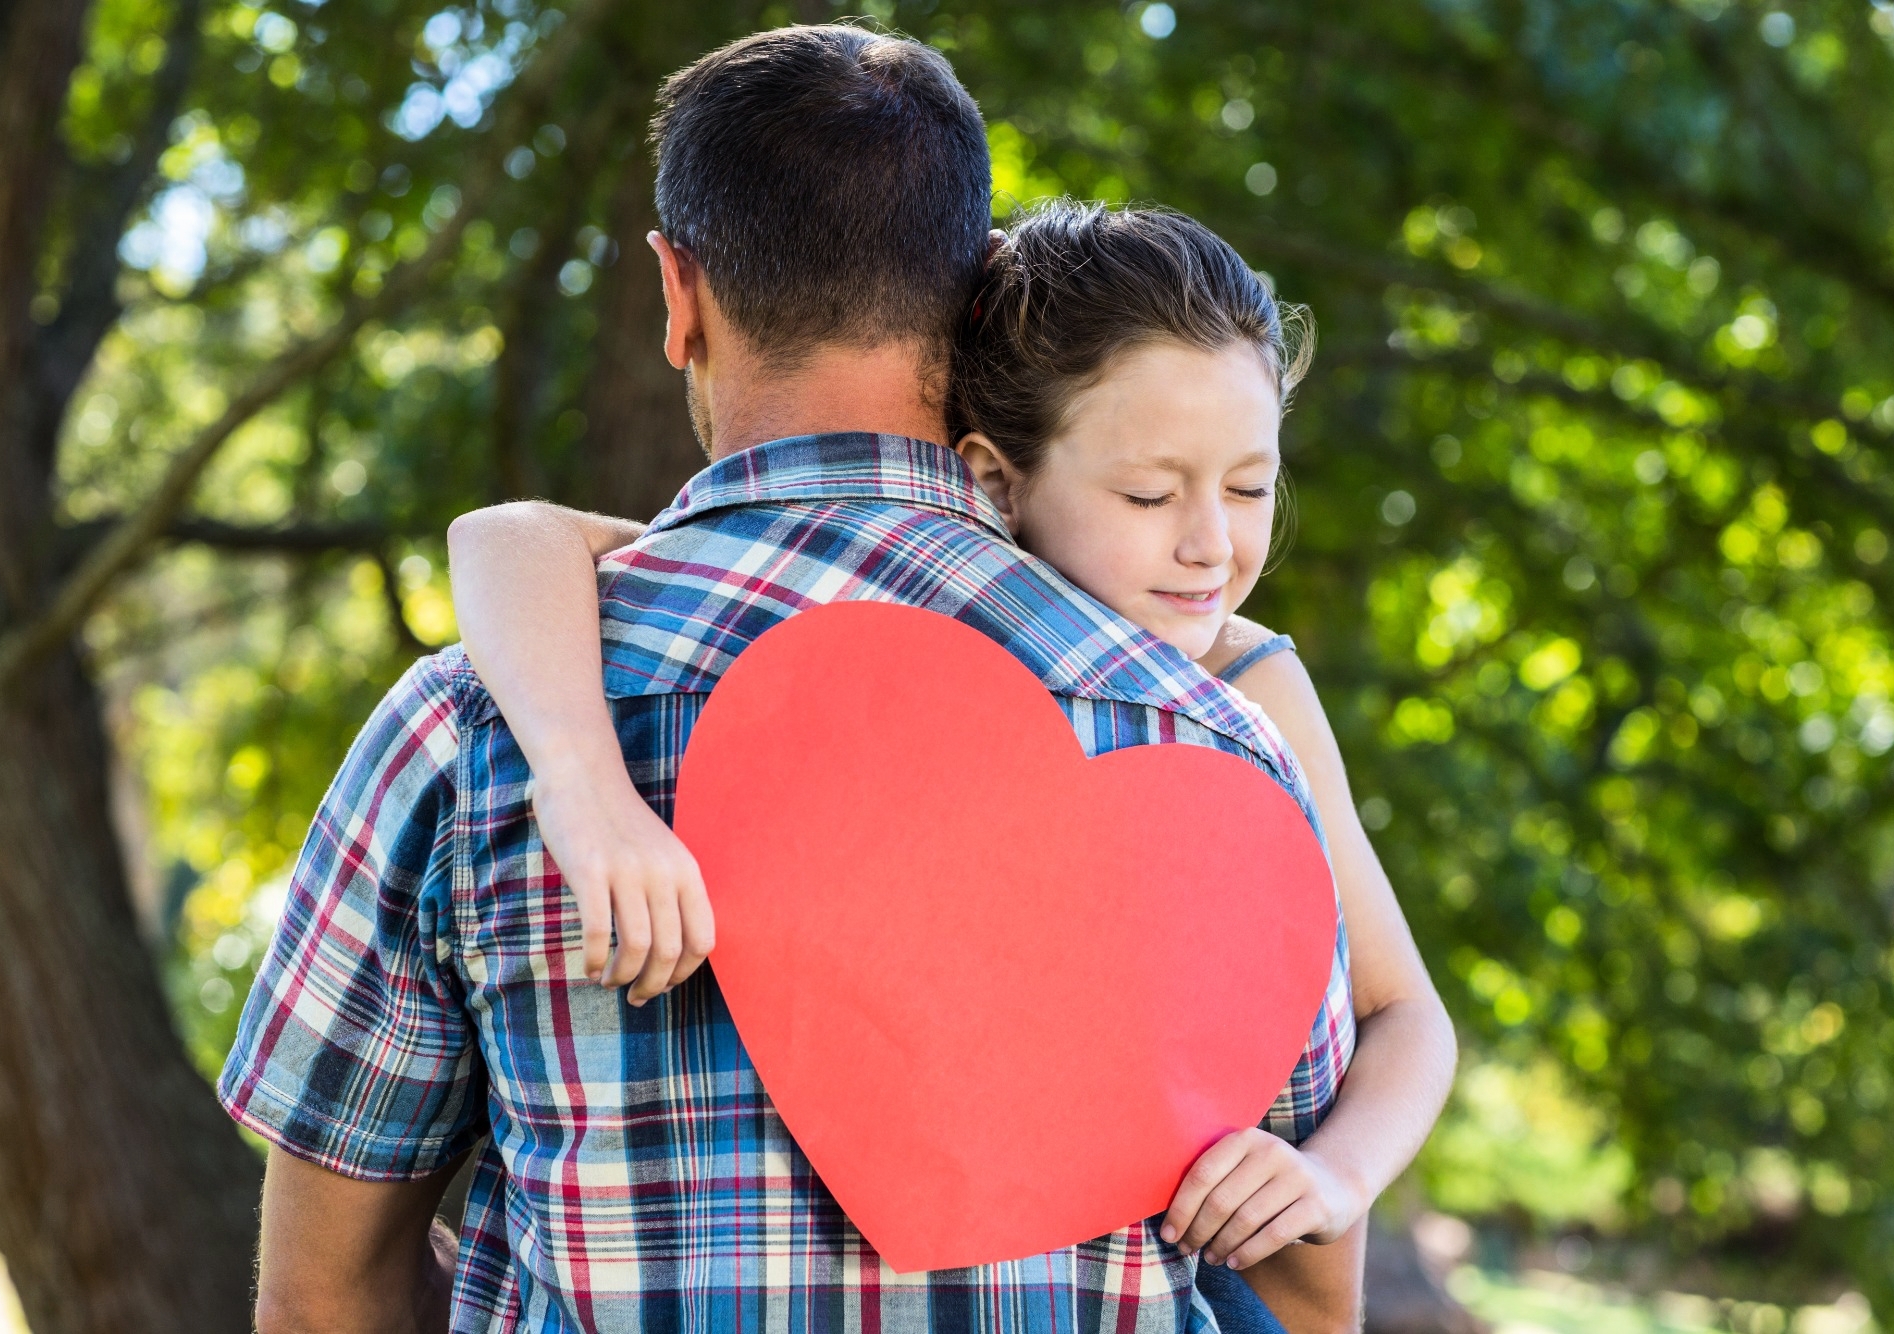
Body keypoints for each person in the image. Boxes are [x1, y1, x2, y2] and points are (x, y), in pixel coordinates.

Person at [219, 25, 1413, 1334]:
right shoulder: (1205, 743)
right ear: (975, 300)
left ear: (677, 294)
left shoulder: (474, 719)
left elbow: (323, 1292)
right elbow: (1303, 1286)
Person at [444, 199, 1457, 1334]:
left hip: (1185, 1252)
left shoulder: (1251, 684)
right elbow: (505, 535)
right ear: (995, 475)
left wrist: (1340, 1175)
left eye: (1251, 485)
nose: (1211, 542)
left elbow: (1407, 1009)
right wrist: (581, 773)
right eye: (1149, 493)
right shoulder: (887, 636)